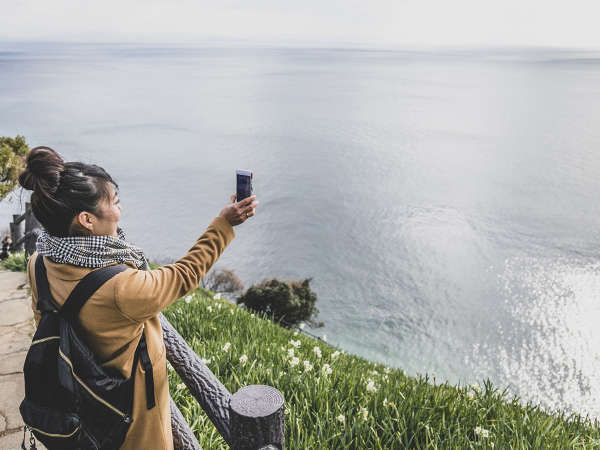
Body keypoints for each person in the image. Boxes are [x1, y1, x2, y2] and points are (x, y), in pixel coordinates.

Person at [18, 146, 259, 450]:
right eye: (114, 203)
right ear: (86, 220)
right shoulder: (121, 287)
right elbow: (183, 275)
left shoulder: (39, 261)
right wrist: (224, 224)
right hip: (130, 424)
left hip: (78, 404)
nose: (120, 210)